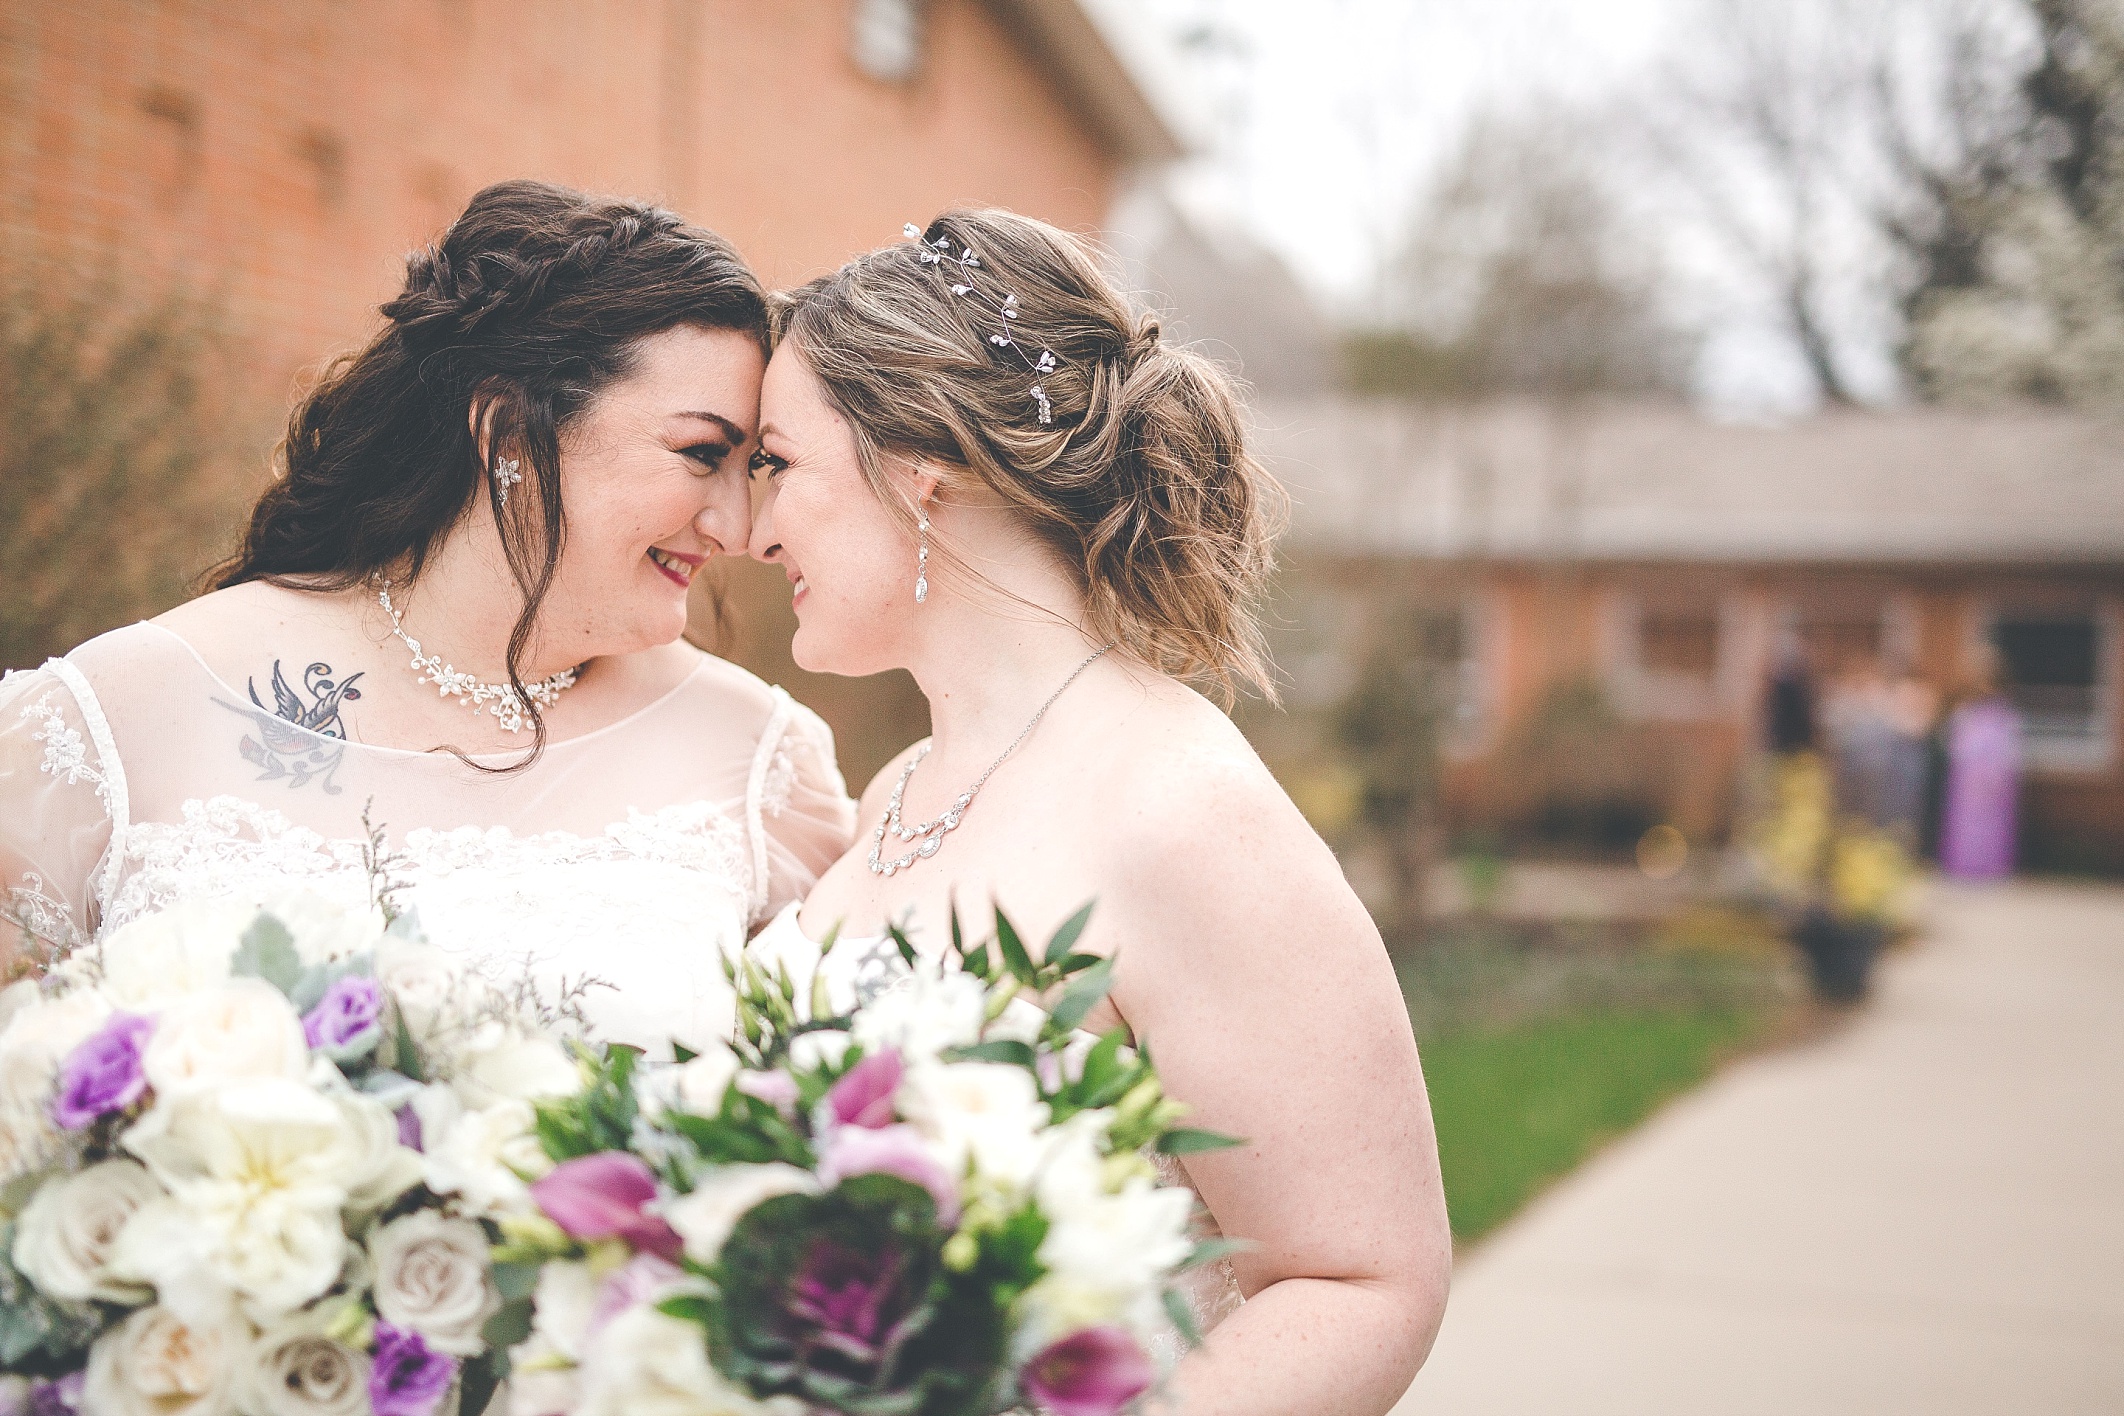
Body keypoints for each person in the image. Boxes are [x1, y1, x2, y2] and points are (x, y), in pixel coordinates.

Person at [745, 211, 1451, 1413]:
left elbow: (1364, 1278)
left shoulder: (1182, 807)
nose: (754, 531)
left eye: (780, 463)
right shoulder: (893, 796)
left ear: (926, 474)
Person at [0, 180, 853, 1053]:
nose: (740, 528)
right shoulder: (113, 719)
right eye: (700, 454)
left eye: (750, 468)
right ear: (507, 431)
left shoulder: (758, 763)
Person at [1939, 648, 2023, 880]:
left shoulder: (2003, 715)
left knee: (1991, 827)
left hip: (1993, 778)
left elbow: (2008, 749)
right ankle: (1962, 867)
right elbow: (1955, 744)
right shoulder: (1965, 711)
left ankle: (1990, 868)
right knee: (1965, 826)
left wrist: (1997, 776)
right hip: (1966, 779)